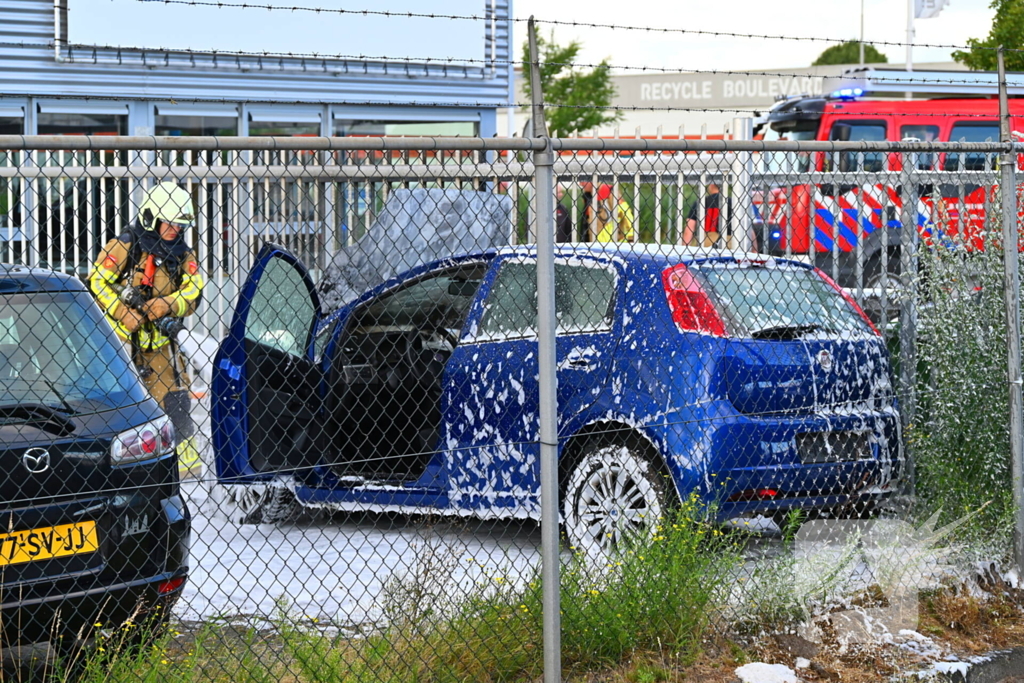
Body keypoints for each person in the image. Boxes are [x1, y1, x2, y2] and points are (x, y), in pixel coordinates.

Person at [89, 182, 205, 472]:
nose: (175, 231)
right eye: (169, 224)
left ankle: (181, 464)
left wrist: (167, 304)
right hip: (119, 342)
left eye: (180, 225)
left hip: (160, 343)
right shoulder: (128, 243)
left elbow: (195, 291)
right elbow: (96, 280)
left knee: (175, 395)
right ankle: (111, 461)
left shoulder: (181, 253)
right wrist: (120, 310)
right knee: (116, 401)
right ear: (151, 216)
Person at [684, 183, 731, 248]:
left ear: (711, 185)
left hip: (704, 241)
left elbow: (690, 226)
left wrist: (685, 248)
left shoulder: (701, 202)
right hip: (728, 242)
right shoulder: (732, 202)